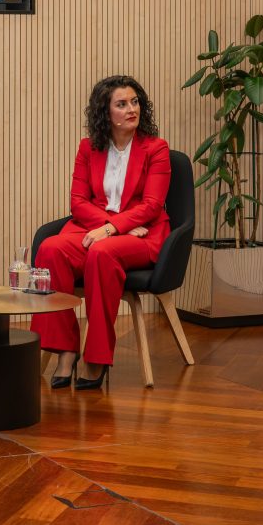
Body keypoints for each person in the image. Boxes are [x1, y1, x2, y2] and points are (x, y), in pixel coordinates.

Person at [31, 75, 171, 390]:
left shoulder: (156, 149)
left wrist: (113, 228)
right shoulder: (88, 148)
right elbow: (78, 202)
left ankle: (97, 356)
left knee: (102, 252)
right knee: (50, 249)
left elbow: (152, 206)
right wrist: (110, 226)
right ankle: (66, 350)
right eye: (121, 104)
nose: (132, 109)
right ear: (105, 112)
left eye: (135, 102)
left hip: (142, 235)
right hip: (100, 228)